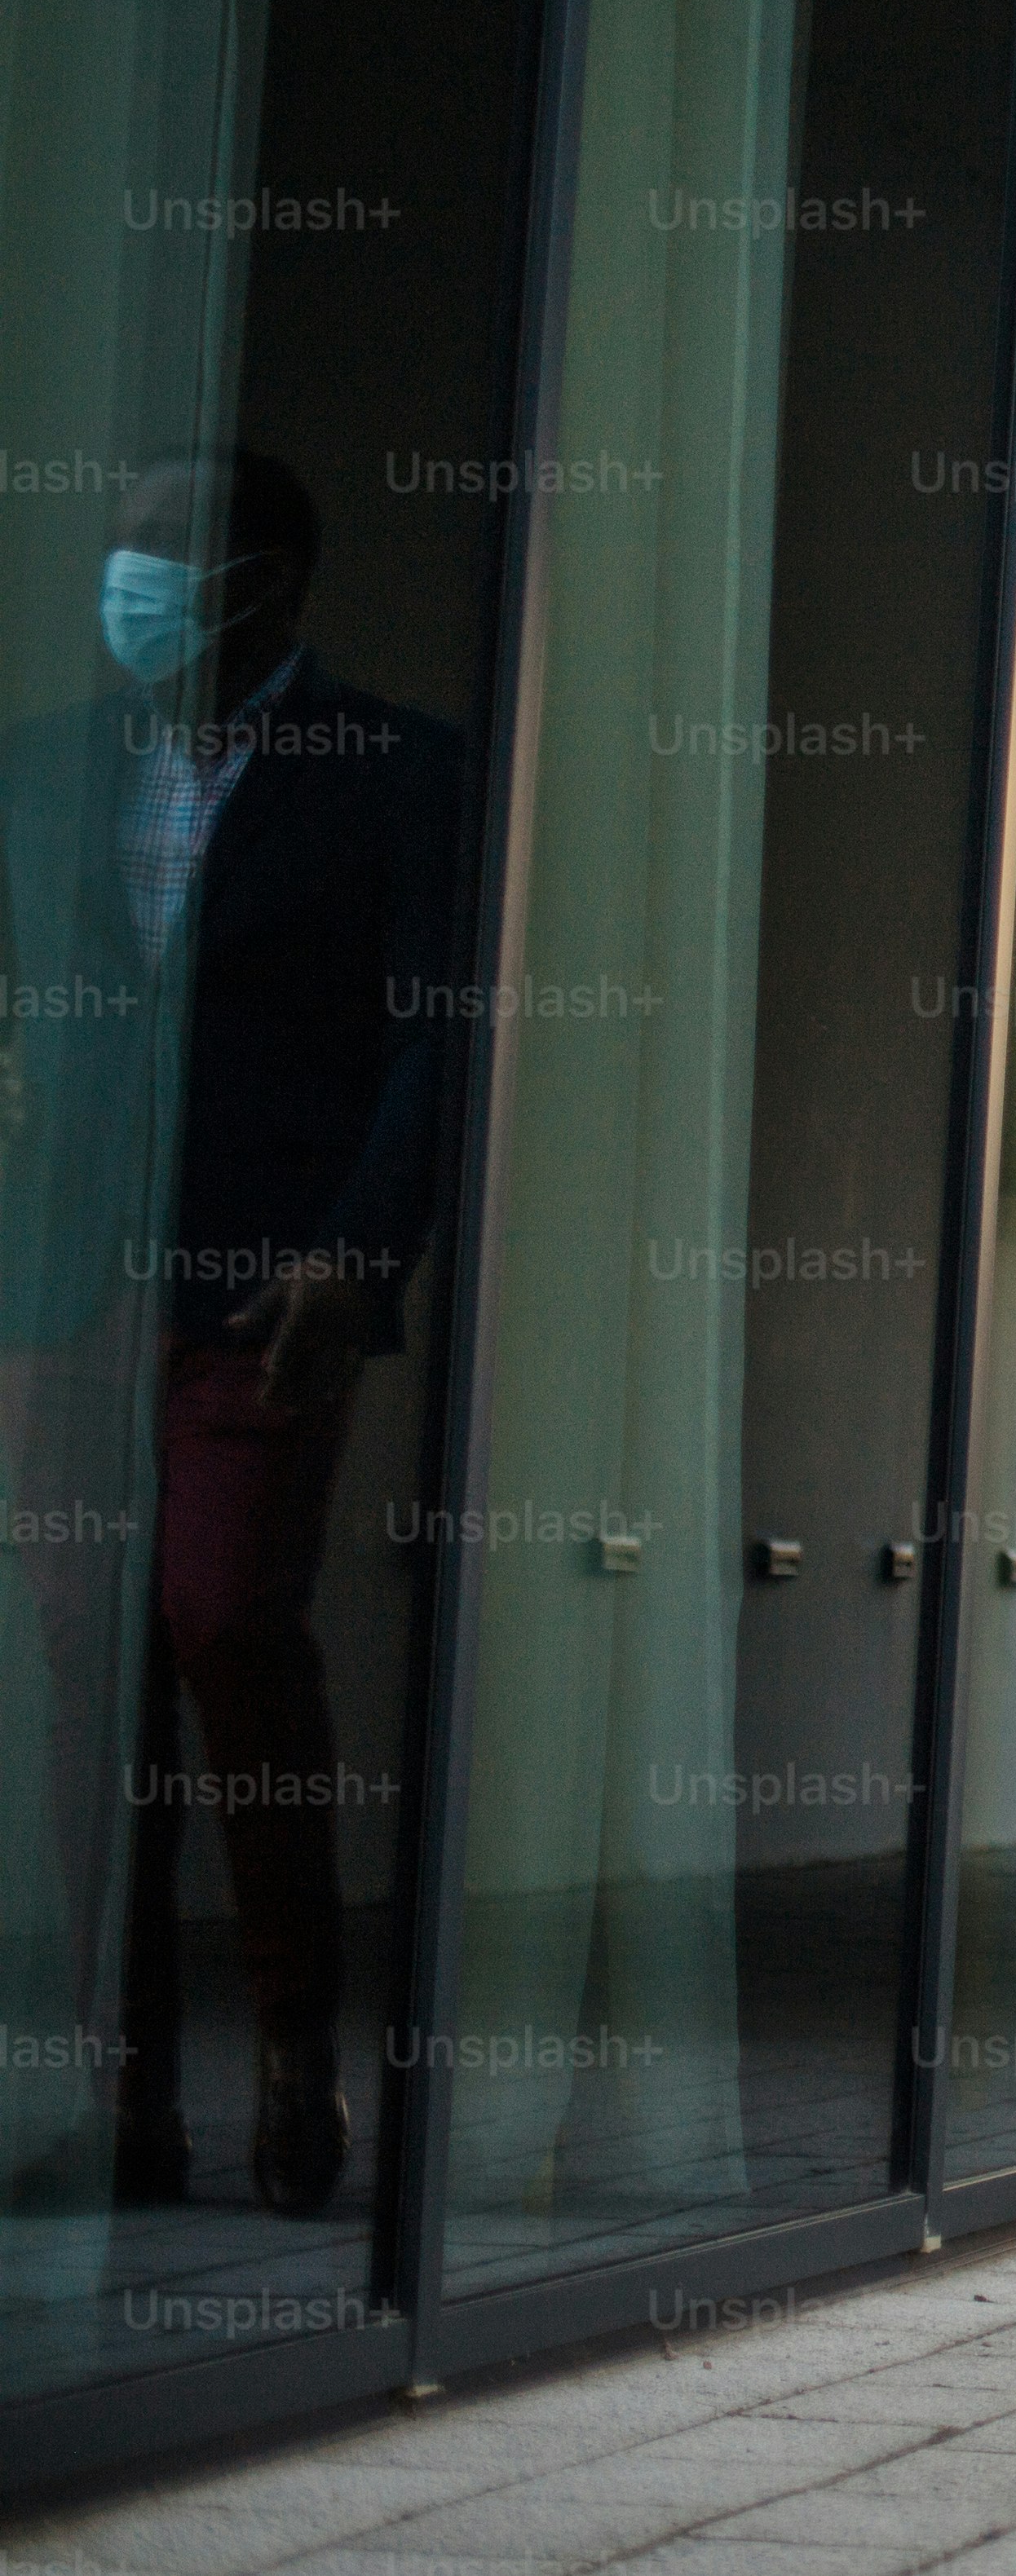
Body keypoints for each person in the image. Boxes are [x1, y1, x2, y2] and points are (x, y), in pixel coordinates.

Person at [1, 452, 460, 2219]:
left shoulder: (399, 769)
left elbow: (433, 1037)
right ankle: (123, 2092)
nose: (127, 574)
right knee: (80, 1660)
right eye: (117, 543)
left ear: (267, 579)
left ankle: (291, 2048)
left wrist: (359, 1253)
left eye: (162, 548)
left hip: (272, 1281)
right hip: (63, 1282)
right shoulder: (44, 767)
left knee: (224, 1623)